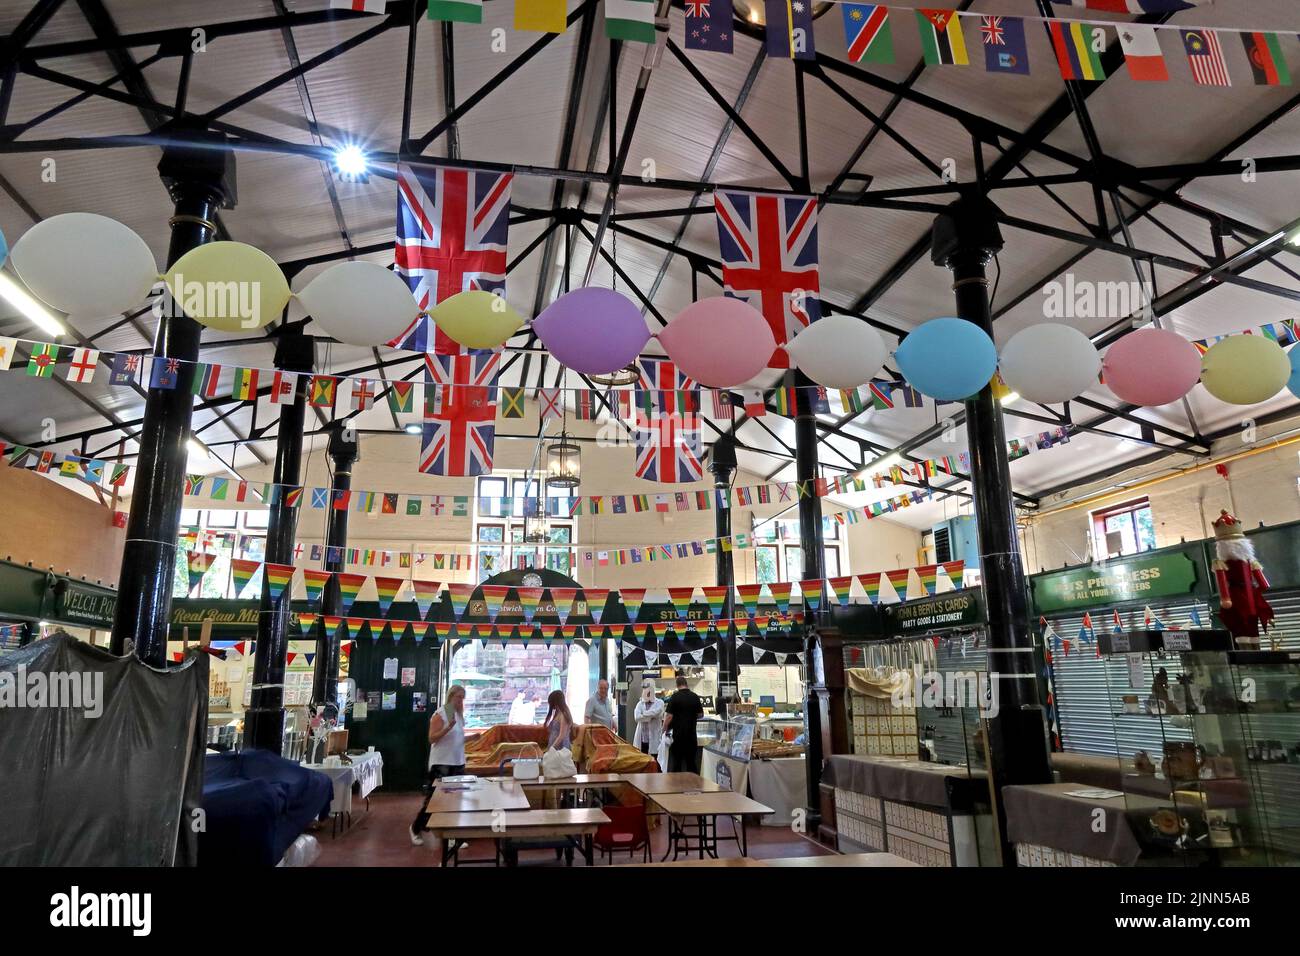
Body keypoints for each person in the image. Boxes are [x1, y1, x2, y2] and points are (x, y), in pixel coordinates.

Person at [410, 684, 466, 846]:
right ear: (450, 697)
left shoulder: (458, 715)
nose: (460, 701)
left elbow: (457, 739)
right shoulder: (443, 713)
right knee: (435, 801)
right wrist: (447, 728)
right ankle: (415, 828)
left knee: (455, 801)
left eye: (462, 698)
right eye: (458, 697)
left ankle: (451, 836)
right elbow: (432, 738)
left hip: (457, 762)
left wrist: (473, 738)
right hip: (442, 763)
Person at [663, 675, 704, 774]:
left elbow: (669, 716)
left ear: (677, 685)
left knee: (677, 764)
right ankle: (694, 785)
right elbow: (701, 715)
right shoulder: (695, 696)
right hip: (691, 737)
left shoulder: (674, 697)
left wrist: (664, 728)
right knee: (691, 763)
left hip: (678, 737)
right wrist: (691, 716)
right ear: (686, 684)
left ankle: (677, 787)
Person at [632, 678, 664, 761]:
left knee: (655, 763)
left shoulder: (660, 703)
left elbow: (657, 713)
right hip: (642, 739)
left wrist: (644, 714)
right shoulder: (640, 703)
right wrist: (650, 717)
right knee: (643, 764)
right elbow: (637, 717)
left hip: (654, 739)